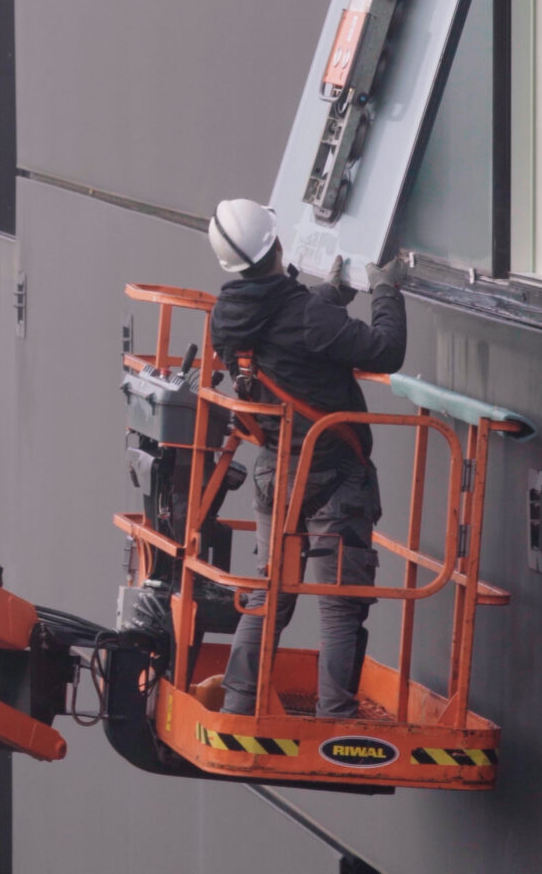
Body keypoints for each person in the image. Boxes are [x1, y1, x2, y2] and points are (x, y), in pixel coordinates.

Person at [206, 197, 404, 720]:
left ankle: (239, 702)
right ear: (275, 245)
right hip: (336, 474)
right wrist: (385, 288)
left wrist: (332, 295)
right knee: (340, 603)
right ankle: (337, 712)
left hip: (278, 470)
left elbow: (287, 324)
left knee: (270, 592)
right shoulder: (305, 316)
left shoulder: (225, 319)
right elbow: (385, 350)